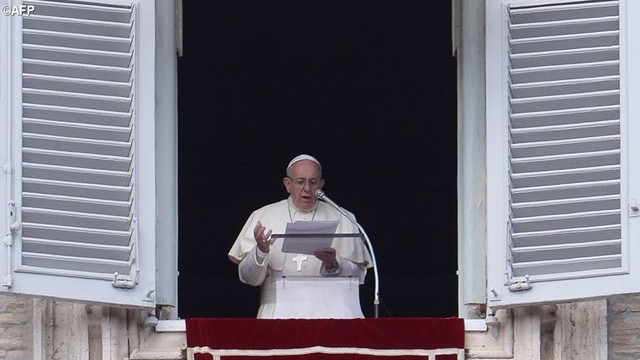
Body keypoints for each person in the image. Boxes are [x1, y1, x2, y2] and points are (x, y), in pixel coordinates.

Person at [228, 154, 373, 318]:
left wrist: (333, 262)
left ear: (321, 184)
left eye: (313, 182)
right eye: (300, 181)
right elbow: (249, 279)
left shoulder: (343, 217)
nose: (307, 188)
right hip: (277, 315)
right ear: (287, 184)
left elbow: (359, 277)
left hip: (331, 313)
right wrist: (261, 250)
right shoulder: (262, 216)